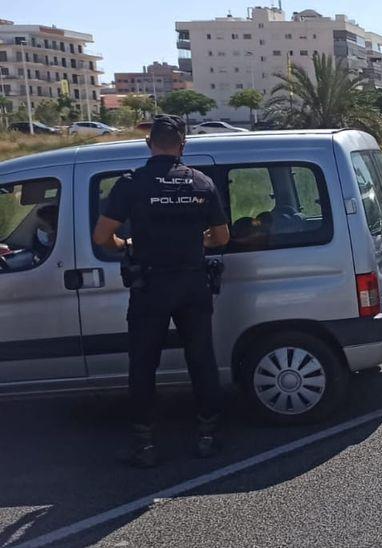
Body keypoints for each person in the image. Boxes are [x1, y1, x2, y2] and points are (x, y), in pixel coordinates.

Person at [92, 115, 231, 468]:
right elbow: (222, 238)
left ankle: (145, 444)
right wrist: (193, 241)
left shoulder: (131, 185)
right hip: (192, 283)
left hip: (150, 285)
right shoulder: (202, 183)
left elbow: (101, 238)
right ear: (182, 146)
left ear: (149, 145)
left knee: (143, 364)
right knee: (201, 360)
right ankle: (207, 435)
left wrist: (126, 242)